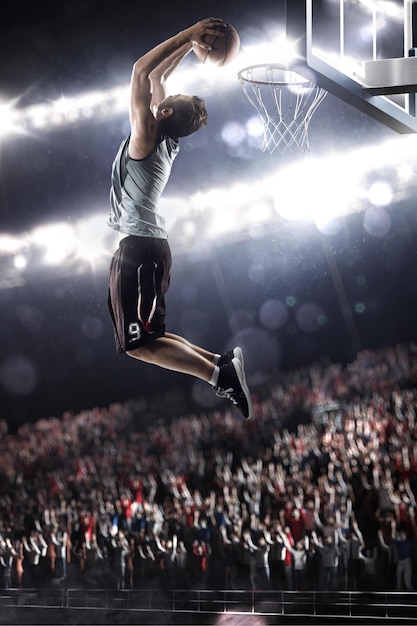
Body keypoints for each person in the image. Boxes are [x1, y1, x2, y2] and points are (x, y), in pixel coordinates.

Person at [107, 17, 252, 420]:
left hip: (140, 247)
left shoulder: (146, 136)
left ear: (165, 110)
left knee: (140, 344)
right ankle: (219, 365)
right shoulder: (166, 139)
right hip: (145, 247)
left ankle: (217, 376)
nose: (160, 97)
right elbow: (157, 75)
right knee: (148, 338)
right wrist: (190, 48)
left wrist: (190, 34)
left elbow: (141, 71)